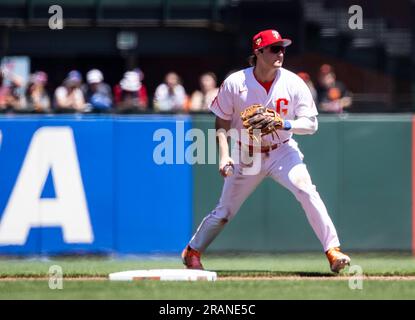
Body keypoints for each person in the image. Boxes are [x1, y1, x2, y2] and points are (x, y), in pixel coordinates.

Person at [181, 29, 351, 273]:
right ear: (258, 52)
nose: (280, 52)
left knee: (306, 191)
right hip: (246, 152)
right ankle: (192, 252)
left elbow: (312, 124)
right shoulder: (236, 82)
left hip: (282, 149)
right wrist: (224, 155)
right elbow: (222, 121)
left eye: (282, 48)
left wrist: (284, 123)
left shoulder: (293, 82)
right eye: (274, 48)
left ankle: (332, 250)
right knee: (225, 211)